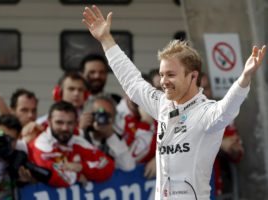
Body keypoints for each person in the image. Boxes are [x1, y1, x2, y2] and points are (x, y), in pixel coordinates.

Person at [82, 5, 266, 199]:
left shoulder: (206, 112)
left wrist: (244, 78)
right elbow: (132, 82)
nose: (163, 82)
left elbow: (227, 108)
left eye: (170, 75)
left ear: (193, 76)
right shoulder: (162, 105)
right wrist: (106, 40)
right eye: (162, 75)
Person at [28, 101, 115, 187]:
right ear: (49, 122)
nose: (65, 128)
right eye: (59, 122)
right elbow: (51, 175)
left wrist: (81, 167)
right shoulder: (40, 143)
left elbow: (108, 166)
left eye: (70, 123)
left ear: (75, 123)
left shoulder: (78, 141)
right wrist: (77, 176)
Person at [200, 73, 244, 198]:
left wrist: (232, 148)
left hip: (214, 189)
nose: (204, 94)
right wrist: (219, 142)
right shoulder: (181, 115)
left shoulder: (222, 113)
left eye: (206, 88)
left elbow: (236, 151)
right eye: (199, 90)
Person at [80, 94, 136, 171]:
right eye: (99, 113)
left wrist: (110, 135)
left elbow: (129, 166)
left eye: (108, 115)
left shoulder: (114, 138)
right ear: (89, 115)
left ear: (113, 120)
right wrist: (80, 130)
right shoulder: (79, 134)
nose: (102, 118)